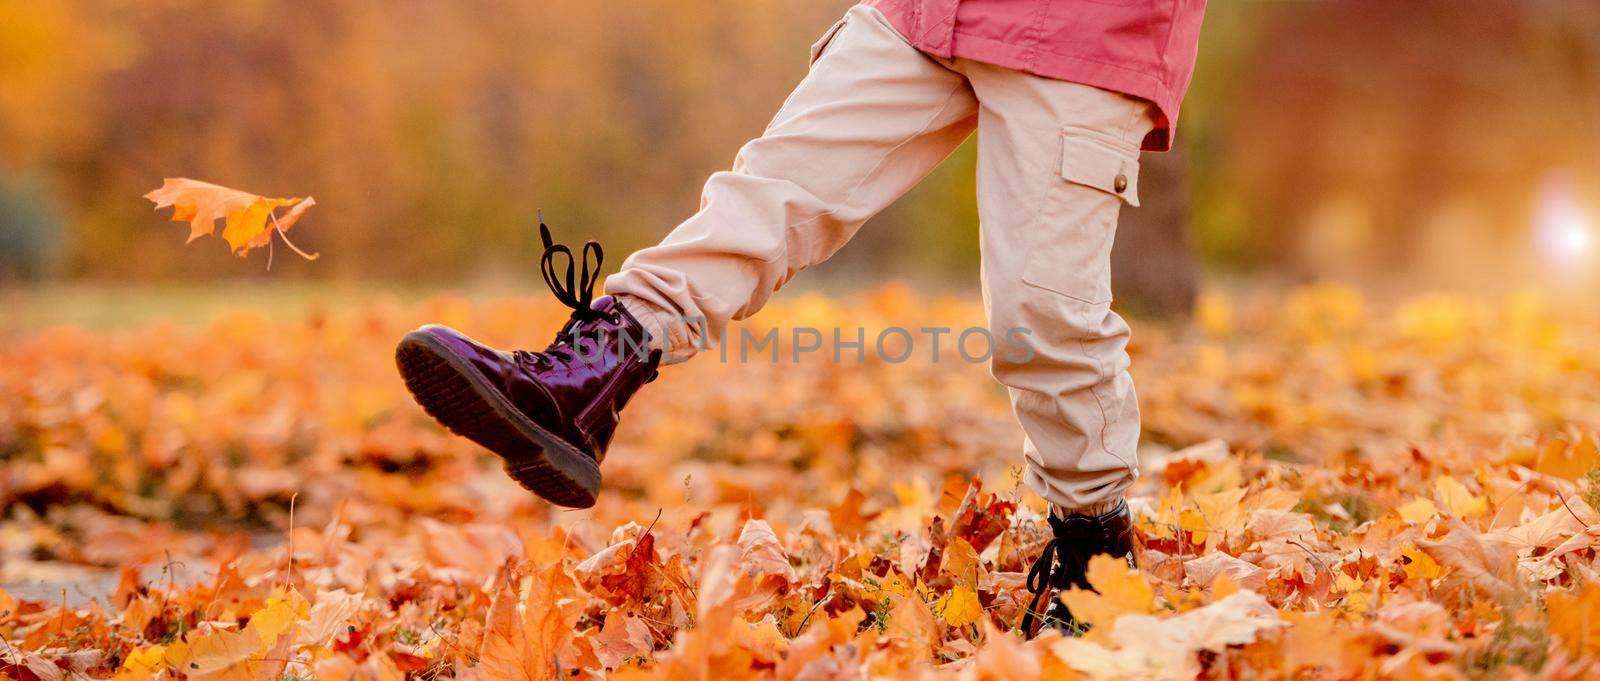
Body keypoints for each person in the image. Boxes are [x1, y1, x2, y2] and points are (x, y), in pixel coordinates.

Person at [395, 0, 1206, 636]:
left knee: (1040, 317)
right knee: (766, 196)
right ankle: (583, 381)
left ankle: (1094, 551)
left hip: (1087, 31)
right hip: (925, 14)